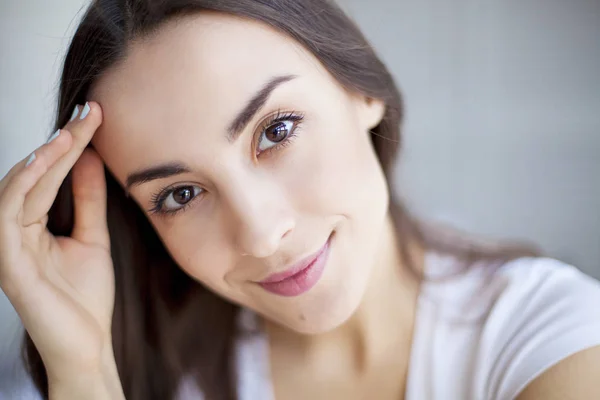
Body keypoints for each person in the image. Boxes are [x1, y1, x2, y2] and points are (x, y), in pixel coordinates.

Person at [0, 1, 599, 399]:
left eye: (276, 131)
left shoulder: (553, 337)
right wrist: (83, 370)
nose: (260, 235)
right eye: (180, 194)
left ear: (360, 89)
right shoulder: (130, 368)